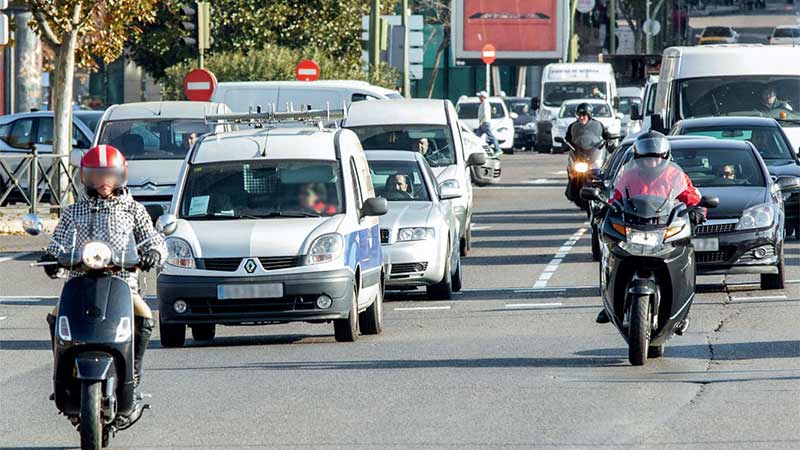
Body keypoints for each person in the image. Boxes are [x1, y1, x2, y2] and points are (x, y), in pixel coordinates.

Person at [40, 145, 167, 411]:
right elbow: (56, 244)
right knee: (55, 316)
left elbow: (153, 239)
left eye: (109, 175)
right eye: (97, 176)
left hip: (122, 284)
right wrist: (50, 260)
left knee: (144, 317)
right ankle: (62, 375)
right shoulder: (73, 212)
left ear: (121, 175)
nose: (104, 182)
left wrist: (153, 253)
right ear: (85, 177)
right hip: (79, 283)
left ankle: (133, 371)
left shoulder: (133, 210)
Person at [596, 131, 704, 327]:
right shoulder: (628, 175)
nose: (651, 163)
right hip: (634, 226)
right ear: (638, 158)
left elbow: (693, 196)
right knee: (611, 252)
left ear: (665, 157)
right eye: (646, 159)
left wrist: (697, 210)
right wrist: (606, 208)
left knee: (684, 255)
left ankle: (680, 308)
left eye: (656, 158)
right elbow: (615, 197)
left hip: (663, 228)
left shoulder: (675, 175)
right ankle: (611, 302)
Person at [564, 103, 609, 201]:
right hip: (579, 155)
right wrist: (565, 145)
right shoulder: (573, 126)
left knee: (604, 172)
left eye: (584, 115)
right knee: (572, 172)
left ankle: (604, 193)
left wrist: (610, 143)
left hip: (593, 155)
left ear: (589, 115)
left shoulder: (598, 125)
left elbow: (607, 137)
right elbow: (567, 140)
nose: (582, 117)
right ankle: (572, 191)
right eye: (580, 115)